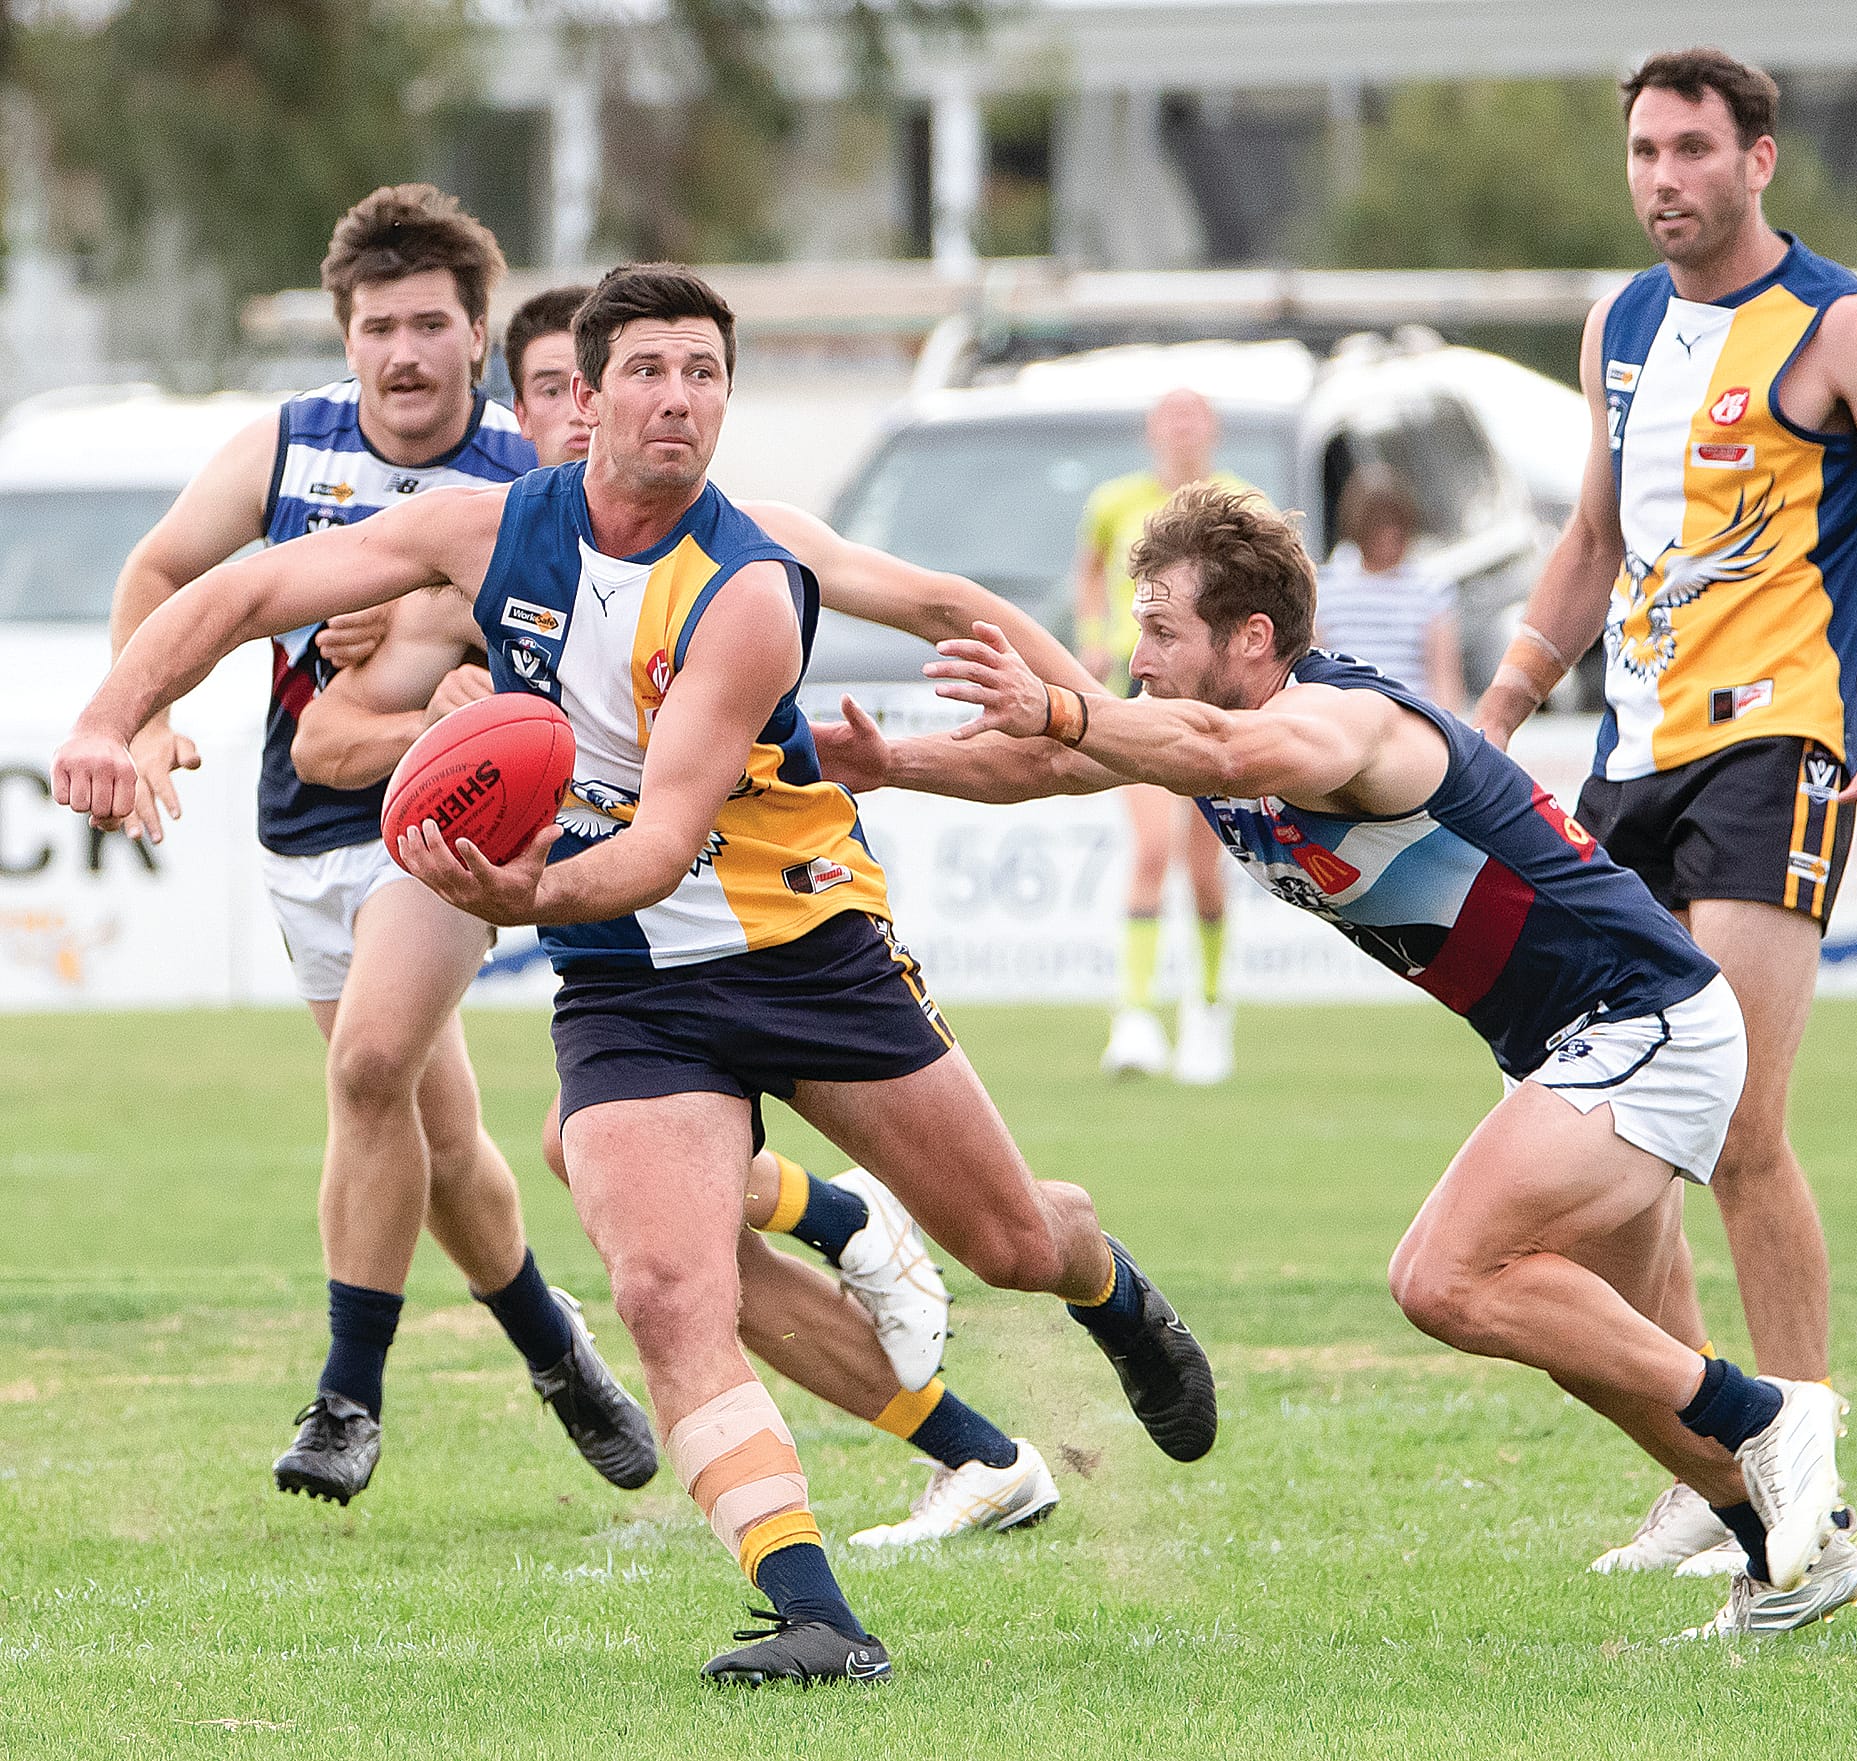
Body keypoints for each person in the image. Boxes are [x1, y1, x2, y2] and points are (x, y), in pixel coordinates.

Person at [54, 262, 1217, 1686]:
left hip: (799, 947)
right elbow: (250, 587)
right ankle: (817, 1614)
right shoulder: (485, 534)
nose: (679, 396)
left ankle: (1108, 1290)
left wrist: (1086, 717)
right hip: (626, 984)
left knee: (1011, 1245)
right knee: (667, 1285)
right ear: (584, 397)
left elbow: (666, 839)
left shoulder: (744, 584)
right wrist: (115, 711)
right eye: (650, 369)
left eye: (706, 373)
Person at [815, 482, 1851, 1643]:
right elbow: (1063, 767)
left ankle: (1764, 1416)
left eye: (1161, 631)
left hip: (1643, 1019)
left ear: (1249, 640)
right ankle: (1780, 1550)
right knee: (1606, 1354)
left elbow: (1198, 742)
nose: (1136, 655)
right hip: (1559, 1045)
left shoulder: (1340, 724)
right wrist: (890, 764)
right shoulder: (1200, 732)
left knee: (1444, 1279)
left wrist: (1059, 706)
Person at [290, 281, 1063, 1548]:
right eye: (548, 392)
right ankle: (933, 1411)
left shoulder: (743, 548)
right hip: (574, 912)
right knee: (623, 1223)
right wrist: (452, 733)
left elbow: (935, 602)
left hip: (761, 914)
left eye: (684, 376)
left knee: (624, 1188)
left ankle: (871, 1288)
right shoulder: (468, 554)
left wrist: (1118, 728)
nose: (583, 409)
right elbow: (327, 738)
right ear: (549, 405)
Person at [104, 184, 657, 1505]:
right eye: (375, 328)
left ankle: (348, 1394)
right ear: (344, 339)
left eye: (427, 325)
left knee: (369, 1073)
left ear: (478, 336)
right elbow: (160, 573)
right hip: (303, 825)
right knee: (434, 1128)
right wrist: (149, 716)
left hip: (453, 829)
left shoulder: (524, 478)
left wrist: (444, 647)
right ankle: (554, 1346)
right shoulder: (287, 446)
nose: (402, 354)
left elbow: (580, 642)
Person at [1473, 48, 1857, 1627]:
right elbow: (1591, 541)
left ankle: (1814, 1483)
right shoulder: (1619, 324)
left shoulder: (1847, 326)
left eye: (1690, 150)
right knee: (1621, 1125)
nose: (1662, 177)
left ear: (1759, 160)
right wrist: (1503, 705)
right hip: (1627, 762)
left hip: (1774, 750)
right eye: (1644, 151)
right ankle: (1704, 1458)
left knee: (1735, 1123)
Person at [1074, 389, 1255, 1084]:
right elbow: (1090, 572)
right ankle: (1136, 1015)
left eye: (1193, 421)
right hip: (1138, 687)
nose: (1181, 433)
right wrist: (1092, 639)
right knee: (1150, 848)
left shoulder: (1239, 503)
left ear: (1210, 431)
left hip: (1210, 696)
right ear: (1153, 432)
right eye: (1170, 421)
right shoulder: (1116, 502)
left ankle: (1207, 1011)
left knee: (1203, 864)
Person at [1314, 464, 1465, 711]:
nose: (1389, 536)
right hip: (1344, 716)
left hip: (1412, 716)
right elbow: (1316, 665)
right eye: (1379, 526)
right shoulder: (1326, 588)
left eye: (1397, 526)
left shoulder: (1430, 590)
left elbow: (1444, 677)